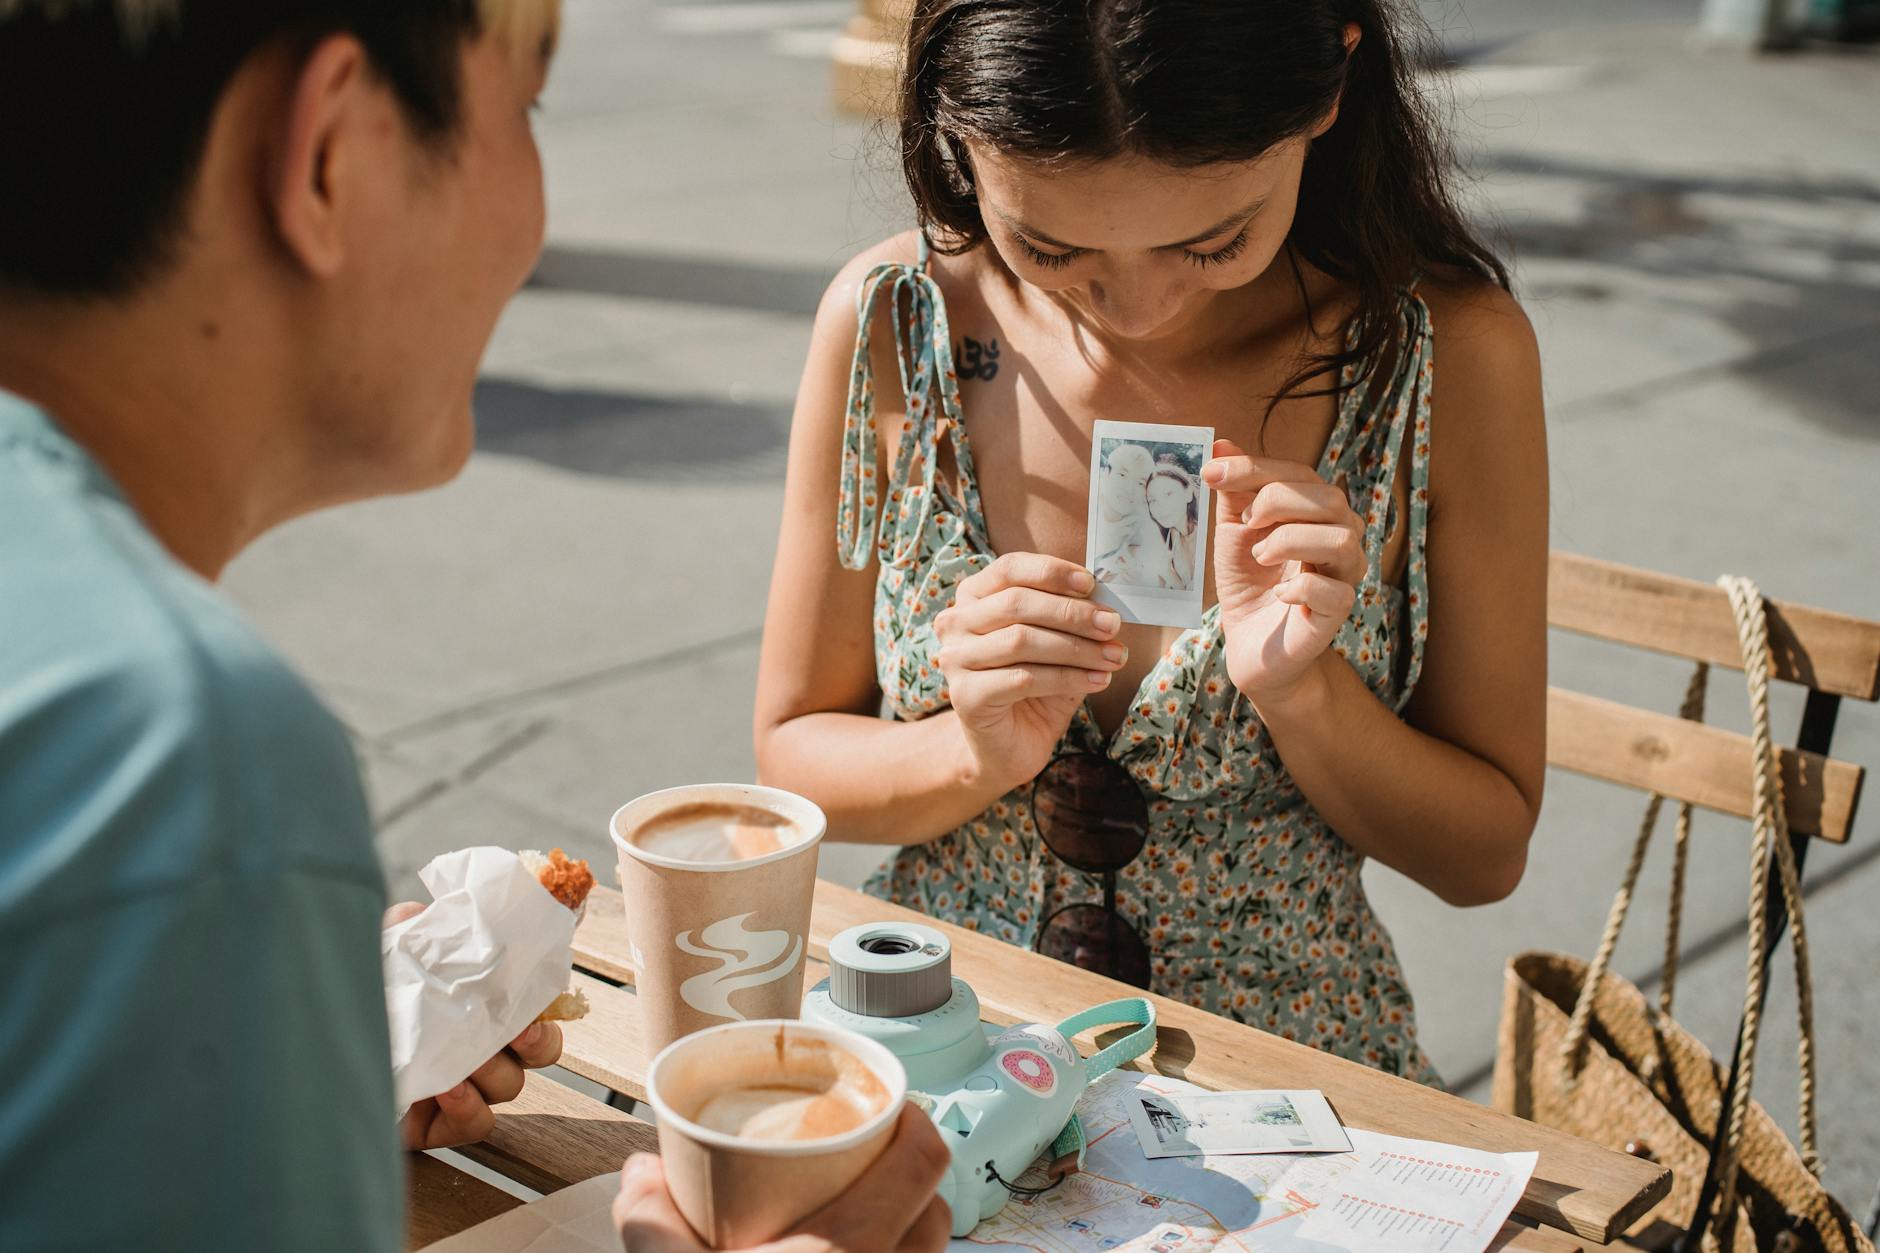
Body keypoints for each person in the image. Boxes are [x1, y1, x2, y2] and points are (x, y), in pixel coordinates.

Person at [0, 3, 945, 1250]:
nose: (536, 216)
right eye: (526, 108)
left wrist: (271, 1021)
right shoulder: (176, 749)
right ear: (334, 149)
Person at [754, 0, 1547, 1082]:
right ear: (950, 123)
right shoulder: (894, 317)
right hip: (942, 1040)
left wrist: (1305, 694)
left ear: (1327, 91)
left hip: (1283, 1080)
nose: (1135, 305)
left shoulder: (1444, 350)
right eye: (1050, 243)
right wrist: (971, 747)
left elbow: (1482, 852)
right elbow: (794, 754)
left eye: (1212, 239)